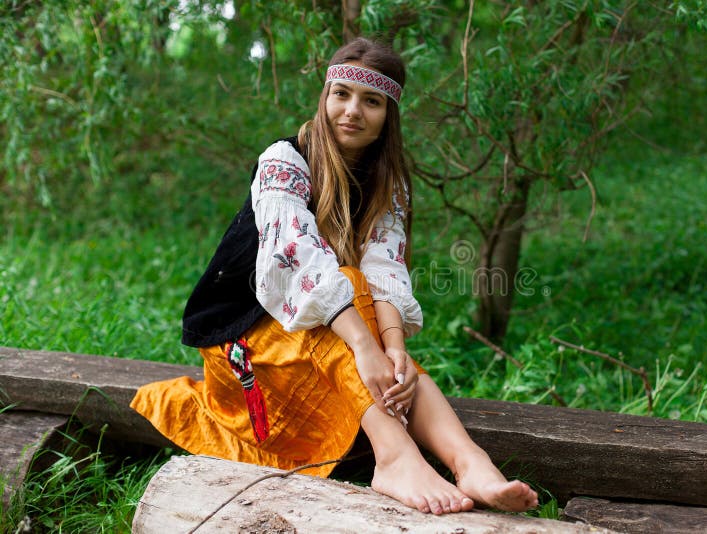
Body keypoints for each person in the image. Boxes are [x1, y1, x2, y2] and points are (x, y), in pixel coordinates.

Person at [131, 37, 538, 515]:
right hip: (243, 344)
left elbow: (384, 270)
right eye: (340, 94)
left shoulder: (390, 181)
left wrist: (394, 349)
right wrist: (366, 348)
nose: (351, 111)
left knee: (360, 294)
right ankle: (394, 457)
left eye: (371, 101)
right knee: (338, 290)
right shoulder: (285, 163)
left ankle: (469, 461)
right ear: (324, 97)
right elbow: (298, 263)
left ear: (389, 115)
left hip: (321, 331)